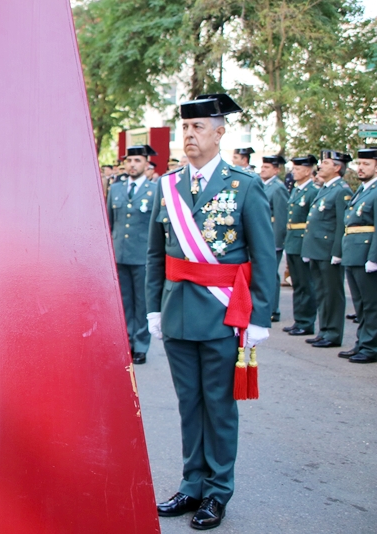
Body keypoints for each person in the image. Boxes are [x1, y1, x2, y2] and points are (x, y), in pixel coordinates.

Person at [147, 93, 275, 530]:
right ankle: (191, 483)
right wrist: (152, 310)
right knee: (189, 404)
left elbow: (263, 256)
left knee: (219, 406)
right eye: (185, 128)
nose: (189, 135)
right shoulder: (168, 185)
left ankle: (218, 492)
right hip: (178, 311)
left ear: (220, 133)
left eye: (198, 127)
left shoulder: (244, 185)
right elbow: (155, 256)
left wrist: (260, 318)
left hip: (224, 314)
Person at [107, 144, 157, 365]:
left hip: (142, 256)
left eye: (137, 161)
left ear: (146, 164)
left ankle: (141, 344)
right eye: (129, 161)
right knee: (123, 301)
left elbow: (157, 228)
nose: (132, 165)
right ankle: (125, 340)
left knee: (142, 303)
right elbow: (109, 223)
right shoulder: (116, 189)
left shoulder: (154, 191)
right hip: (120, 255)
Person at [300, 151, 352, 349]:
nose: (320, 166)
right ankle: (324, 330)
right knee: (321, 292)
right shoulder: (325, 189)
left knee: (332, 293)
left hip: (329, 250)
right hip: (317, 249)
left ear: (337, 168)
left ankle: (333, 333)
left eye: (326, 163)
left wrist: (338, 252)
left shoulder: (341, 190)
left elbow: (342, 223)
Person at [339, 148, 377, 363]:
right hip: (354, 253)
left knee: (371, 304)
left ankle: (371, 346)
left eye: (366, 164)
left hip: (366, 253)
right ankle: (363, 342)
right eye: (360, 164)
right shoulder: (363, 190)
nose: (361, 168)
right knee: (361, 304)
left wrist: (374, 257)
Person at [282, 155, 318, 337]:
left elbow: (312, 221)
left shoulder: (312, 191)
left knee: (306, 284)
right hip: (293, 240)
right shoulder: (296, 190)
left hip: (303, 240)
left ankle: (306, 322)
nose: (293, 172)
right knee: (297, 283)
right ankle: (299, 320)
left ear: (307, 171)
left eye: (297, 169)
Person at [260, 155, 289, 322]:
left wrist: (278, 242)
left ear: (276, 170)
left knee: (271, 274)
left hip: (271, 237)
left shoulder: (278, 188)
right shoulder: (263, 185)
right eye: (263, 166)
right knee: (263, 273)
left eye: (267, 167)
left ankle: (273, 309)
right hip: (263, 236)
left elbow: (281, 217)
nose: (263, 169)